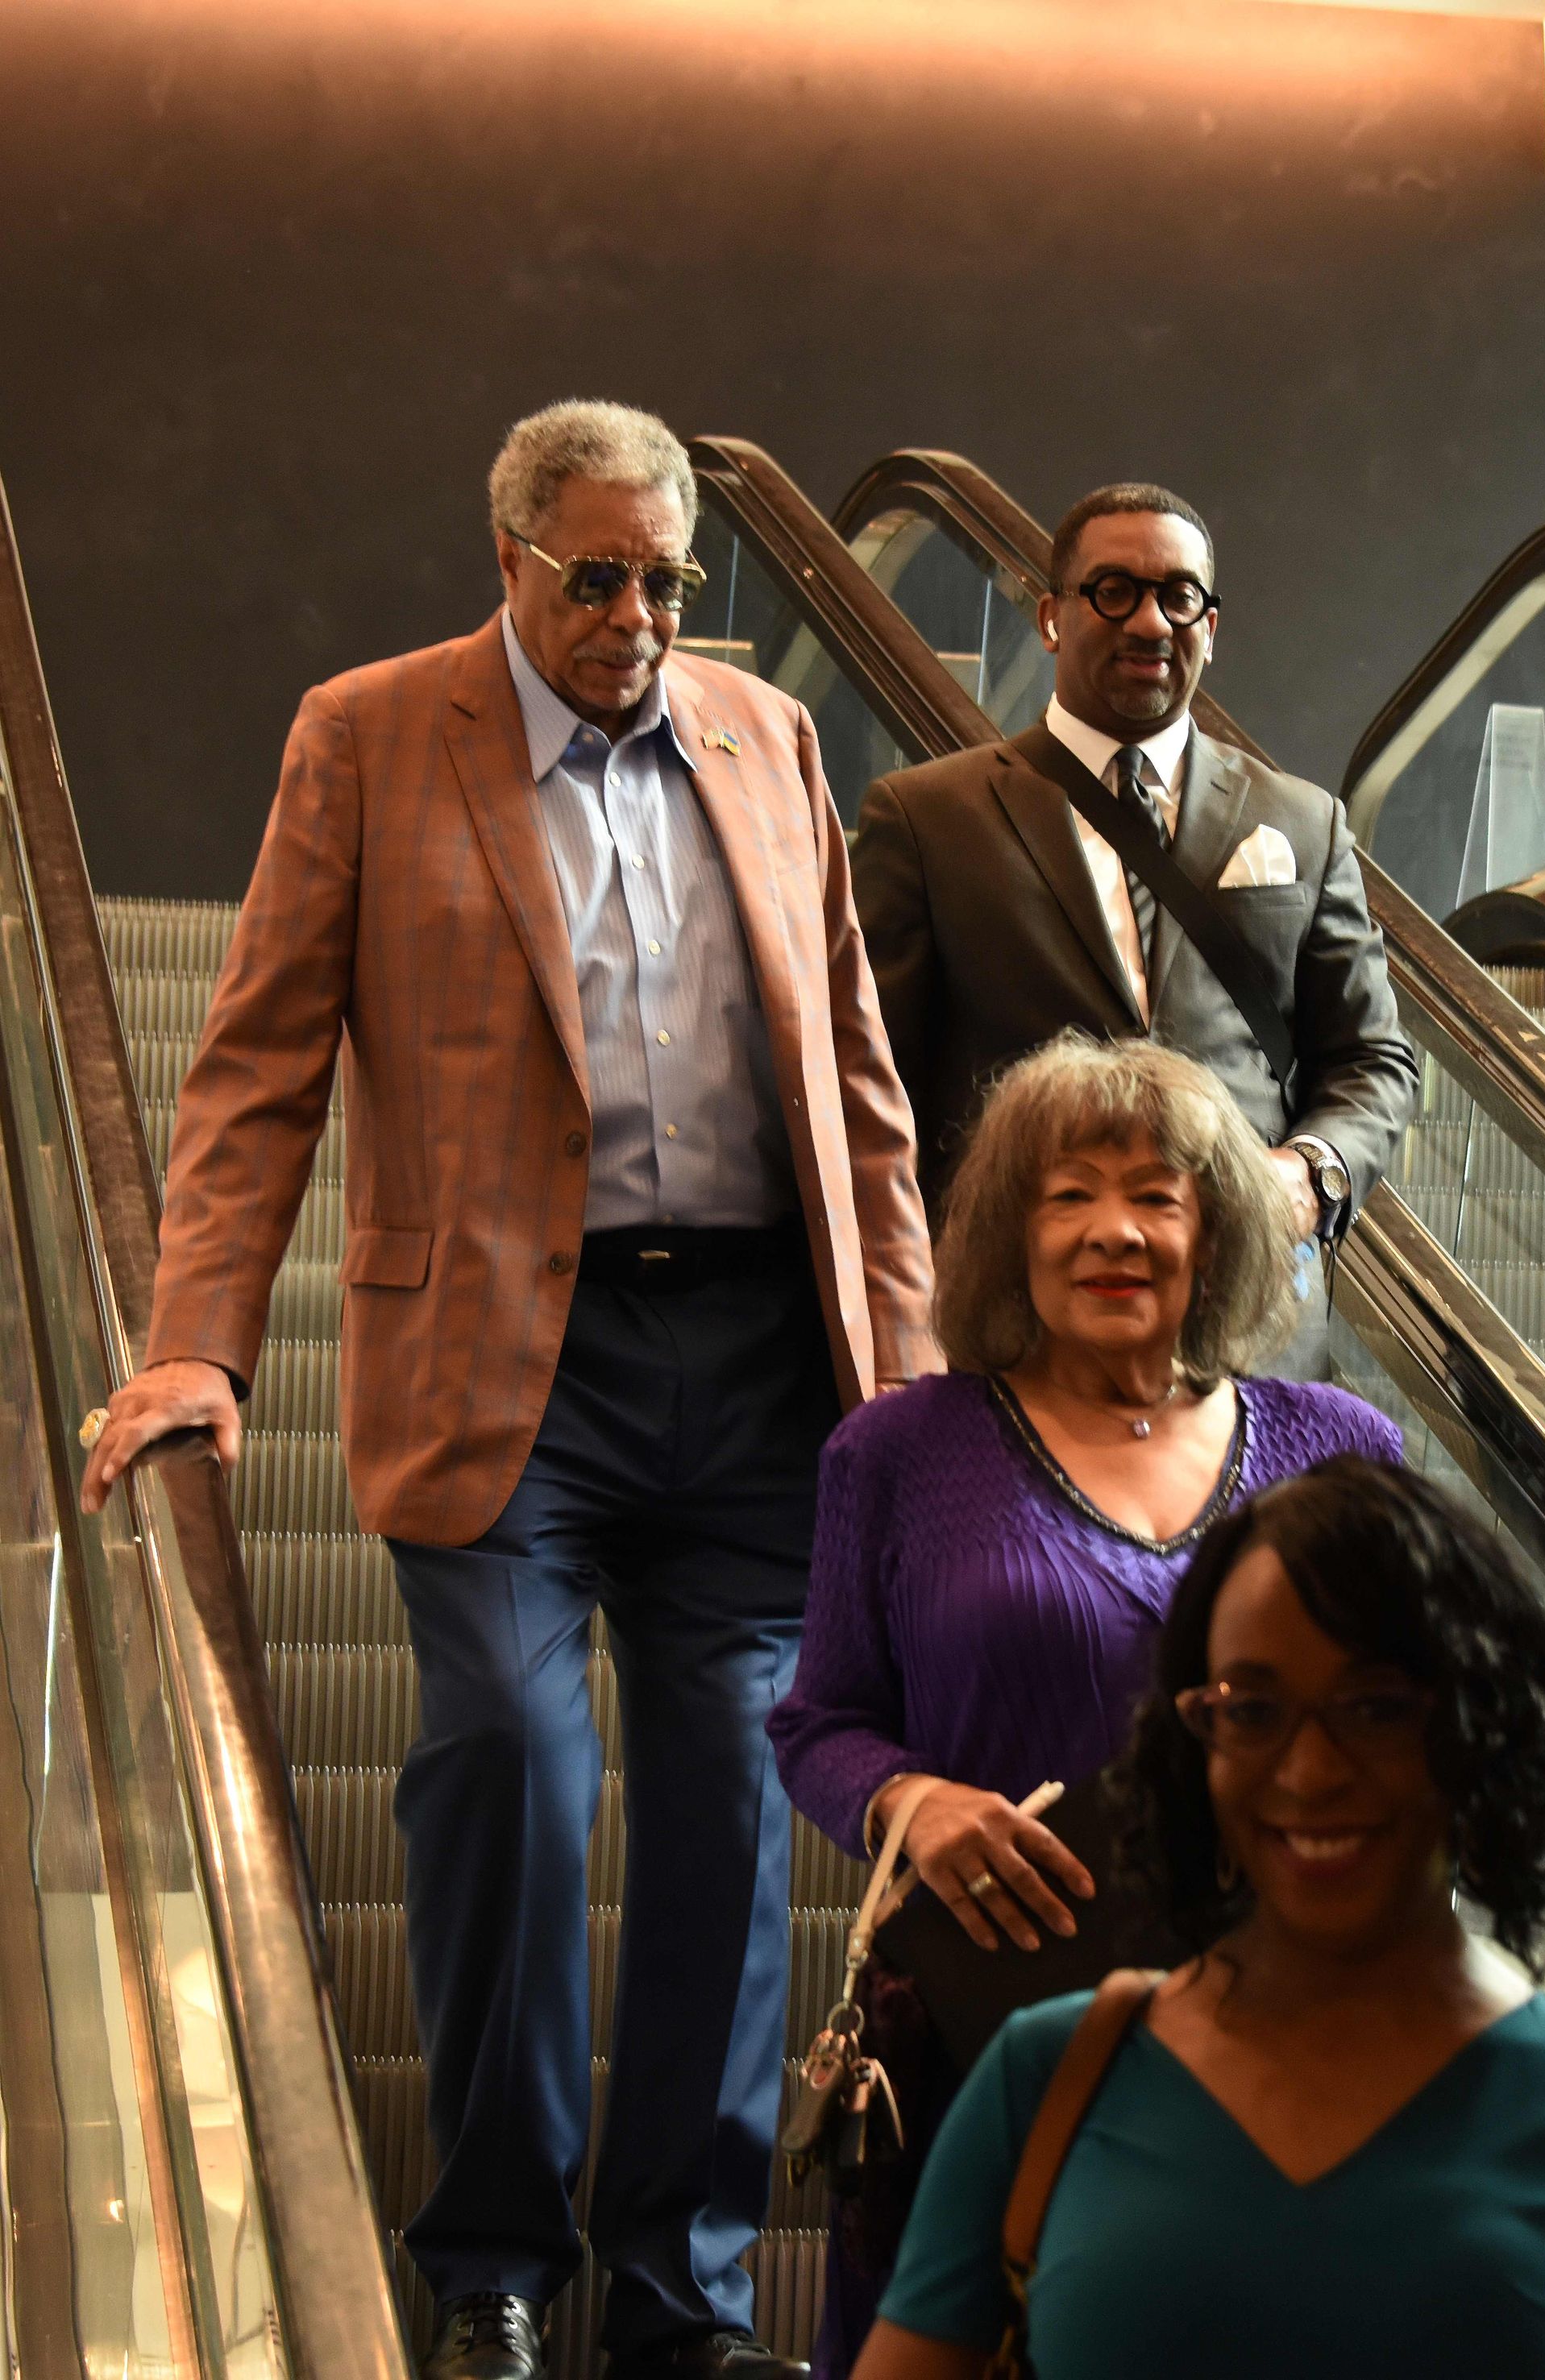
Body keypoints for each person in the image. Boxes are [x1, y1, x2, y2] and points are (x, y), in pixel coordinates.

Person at [79, 400, 938, 2380]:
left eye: (667, 578)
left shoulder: (770, 738)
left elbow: (862, 1105)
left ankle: (681, 2287)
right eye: (599, 576)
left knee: (734, 1801)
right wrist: (198, 1336)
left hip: (751, 1365)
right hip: (496, 1364)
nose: (640, 614)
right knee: (510, 1767)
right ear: (508, 559)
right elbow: (257, 1064)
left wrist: (907, 1381)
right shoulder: (372, 734)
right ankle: (490, 2264)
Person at [766, 1033, 1402, 2378]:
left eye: (1158, 1195)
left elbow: (1420, 1727)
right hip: (976, 2040)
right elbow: (817, 1723)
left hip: (1279, 2037)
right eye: (1070, 1194)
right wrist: (911, 1799)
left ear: (1215, 1231)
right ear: (1011, 1232)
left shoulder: (1342, 1449)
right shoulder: (894, 1450)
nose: (1116, 1229)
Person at [860, 1458, 1545, 2380]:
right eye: (1253, 1710)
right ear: (1196, 1746)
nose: (1309, 1772)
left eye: (1375, 1707)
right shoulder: (1054, 2069)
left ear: (1478, 1721)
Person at [849, 479, 1418, 1370]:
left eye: (1179, 595)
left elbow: (1372, 1058)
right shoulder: (927, 817)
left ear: (1211, 626)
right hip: (1018, 1328)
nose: (1150, 621)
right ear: (1050, 617)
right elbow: (875, 1084)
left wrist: (1312, 1170)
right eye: (1114, 590)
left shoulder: (1305, 822)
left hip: (1250, 1321)